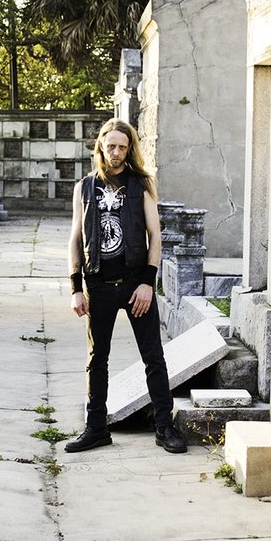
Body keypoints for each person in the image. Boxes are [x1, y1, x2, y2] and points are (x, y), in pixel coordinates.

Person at [64, 119, 187, 455]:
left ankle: (164, 426)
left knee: (153, 357)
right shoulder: (85, 186)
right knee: (97, 359)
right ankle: (96, 428)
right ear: (101, 145)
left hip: (135, 283)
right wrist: (76, 287)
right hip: (98, 284)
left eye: (122, 146)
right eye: (111, 145)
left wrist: (148, 283)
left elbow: (155, 236)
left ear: (129, 148)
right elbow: (75, 238)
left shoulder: (141, 184)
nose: (116, 152)